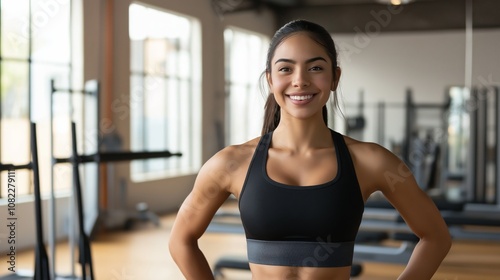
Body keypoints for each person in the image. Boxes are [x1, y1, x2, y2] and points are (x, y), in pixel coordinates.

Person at [169, 19, 451, 280]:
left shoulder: (371, 161)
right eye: (285, 69)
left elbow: (436, 237)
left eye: (315, 68)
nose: (300, 80)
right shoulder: (230, 163)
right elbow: (180, 240)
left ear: (335, 77)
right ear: (270, 79)